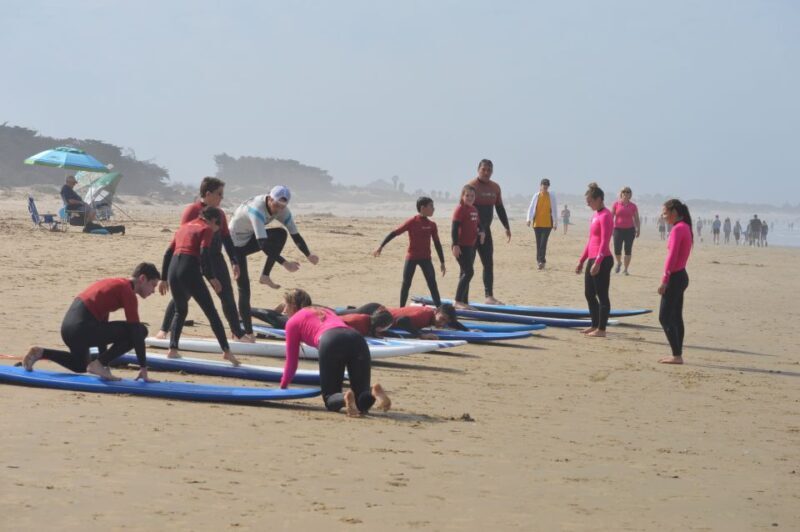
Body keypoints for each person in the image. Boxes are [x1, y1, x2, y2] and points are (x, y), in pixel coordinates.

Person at [23, 263, 161, 381]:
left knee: (80, 365)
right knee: (141, 330)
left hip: (69, 329)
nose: (154, 291)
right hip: (81, 328)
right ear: (142, 279)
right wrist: (144, 368)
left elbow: (102, 327)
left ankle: (41, 353)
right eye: (153, 285)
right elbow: (136, 332)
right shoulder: (127, 291)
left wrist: (104, 366)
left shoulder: (115, 284)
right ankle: (98, 365)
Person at [155, 177, 251, 342]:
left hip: (215, 258)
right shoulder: (192, 210)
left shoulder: (219, 213)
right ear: (208, 194)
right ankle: (164, 329)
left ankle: (238, 333)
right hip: (193, 259)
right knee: (183, 295)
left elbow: (226, 238)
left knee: (227, 295)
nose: (222, 197)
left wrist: (234, 261)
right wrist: (171, 269)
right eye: (219, 194)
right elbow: (182, 238)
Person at [280, 289, 391, 417]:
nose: (284, 310)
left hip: (331, 340)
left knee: (330, 398)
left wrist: (283, 386)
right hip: (357, 338)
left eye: (285, 305)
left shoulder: (292, 322)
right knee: (362, 401)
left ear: (293, 305)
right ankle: (374, 393)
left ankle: (344, 397)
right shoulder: (325, 310)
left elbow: (292, 362)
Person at [228, 186, 319, 336]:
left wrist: (308, 254)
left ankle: (265, 276)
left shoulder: (283, 210)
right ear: (270, 199)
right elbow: (262, 244)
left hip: (249, 237)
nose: (278, 210)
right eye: (276, 205)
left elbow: (295, 235)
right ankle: (243, 328)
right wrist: (285, 263)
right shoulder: (257, 209)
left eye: (282, 206)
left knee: (280, 234)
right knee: (244, 287)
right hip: (234, 245)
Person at [159, 206, 240, 366]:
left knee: (180, 310)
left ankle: (172, 350)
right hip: (189, 268)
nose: (217, 230)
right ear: (213, 220)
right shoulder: (206, 229)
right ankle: (226, 351)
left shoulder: (184, 227)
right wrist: (211, 277)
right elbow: (204, 252)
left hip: (173, 269)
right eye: (218, 225)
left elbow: (168, 253)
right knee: (211, 313)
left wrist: (163, 278)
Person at [373, 196, 446, 307]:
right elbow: (395, 233)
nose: (433, 208)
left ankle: (439, 309)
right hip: (412, 257)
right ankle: (401, 308)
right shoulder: (412, 221)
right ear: (422, 208)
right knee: (406, 284)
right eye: (431, 206)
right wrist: (381, 246)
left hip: (426, 259)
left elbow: (437, 243)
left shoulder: (432, 225)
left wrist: (442, 262)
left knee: (432, 284)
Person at [467, 159, 511, 304]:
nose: (486, 172)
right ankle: (462, 298)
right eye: (484, 169)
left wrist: (506, 226)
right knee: (467, 266)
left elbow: (499, 208)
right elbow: (464, 211)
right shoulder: (471, 187)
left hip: (486, 232)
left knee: (488, 264)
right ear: (478, 170)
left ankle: (489, 296)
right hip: (470, 232)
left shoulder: (495, 187)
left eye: (489, 170)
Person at [657, 199, 694, 364]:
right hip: (681, 275)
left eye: (665, 213)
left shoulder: (677, 229)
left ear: (674, 212)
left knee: (664, 317)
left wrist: (664, 280)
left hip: (674, 277)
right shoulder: (685, 227)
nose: (663, 216)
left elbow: (671, 257)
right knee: (676, 317)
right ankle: (677, 354)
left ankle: (677, 355)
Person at [575, 183, 613, 338]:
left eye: (590, 201)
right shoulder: (595, 215)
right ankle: (594, 324)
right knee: (589, 294)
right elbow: (591, 240)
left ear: (599, 199)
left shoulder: (606, 215)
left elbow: (605, 241)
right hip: (592, 258)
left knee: (602, 295)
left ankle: (602, 329)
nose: (588, 204)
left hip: (603, 259)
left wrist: (598, 262)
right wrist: (581, 260)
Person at [339, 302, 467, 340]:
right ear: (436, 311)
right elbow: (401, 321)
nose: (443, 324)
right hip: (374, 312)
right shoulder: (423, 316)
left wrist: (466, 330)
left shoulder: (434, 314)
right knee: (338, 316)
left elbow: (451, 320)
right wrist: (421, 335)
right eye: (442, 319)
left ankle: (350, 309)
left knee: (345, 314)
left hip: (380, 314)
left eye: (445, 322)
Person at [451, 185, 484, 309]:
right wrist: (455, 245)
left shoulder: (474, 209)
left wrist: (482, 232)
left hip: (471, 247)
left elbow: (479, 224)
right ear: (462, 196)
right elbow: (454, 228)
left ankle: (464, 301)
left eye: (472, 196)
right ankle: (457, 301)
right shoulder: (460, 209)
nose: (470, 198)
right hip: (461, 246)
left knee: (464, 273)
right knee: (469, 272)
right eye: (467, 195)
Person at [60, 175, 125, 234]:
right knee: (92, 211)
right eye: (73, 183)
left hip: (77, 206)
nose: (74, 184)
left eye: (74, 183)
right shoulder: (66, 189)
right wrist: (81, 203)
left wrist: (83, 203)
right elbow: (70, 201)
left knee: (92, 211)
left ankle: (89, 225)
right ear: (69, 182)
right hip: (74, 207)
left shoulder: (69, 189)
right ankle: (88, 226)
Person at [526, 178, 558, 270]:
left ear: (548, 186)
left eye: (547, 185)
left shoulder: (551, 196)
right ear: (540, 186)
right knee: (538, 243)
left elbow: (554, 209)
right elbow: (531, 207)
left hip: (547, 224)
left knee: (543, 243)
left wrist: (555, 222)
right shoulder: (536, 196)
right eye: (544, 185)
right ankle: (539, 261)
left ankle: (541, 261)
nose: (545, 187)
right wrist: (528, 219)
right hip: (537, 223)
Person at [610, 186, 640, 275]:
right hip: (617, 230)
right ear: (621, 194)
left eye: (628, 192)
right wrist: (609, 228)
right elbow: (611, 217)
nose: (625, 193)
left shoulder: (633, 206)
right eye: (624, 192)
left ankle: (625, 270)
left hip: (630, 230)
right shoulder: (616, 204)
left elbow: (637, 218)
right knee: (617, 250)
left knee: (628, 250)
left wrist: (638, 229)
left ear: (630, 194)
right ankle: (619, 262)